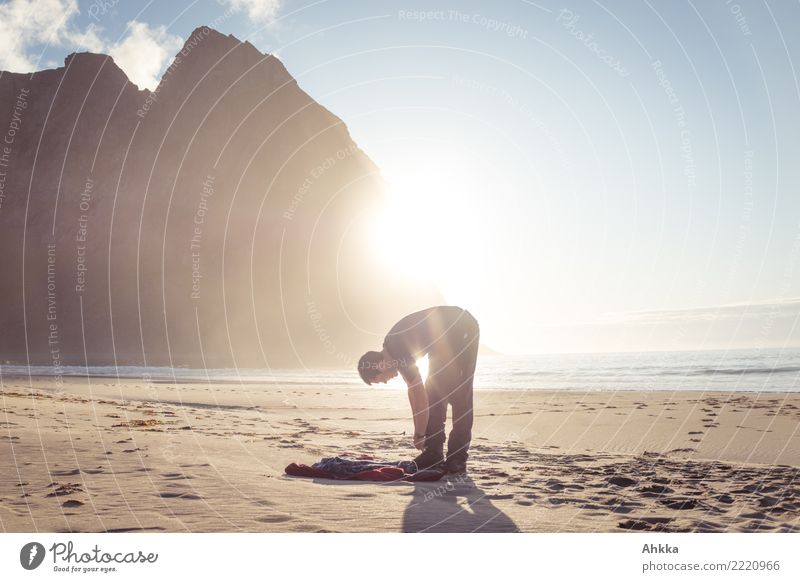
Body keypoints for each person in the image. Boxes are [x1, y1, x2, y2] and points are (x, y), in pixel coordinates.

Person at [357, 306, 479, 473]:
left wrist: (420, 434)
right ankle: (433, 453)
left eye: (381, 380)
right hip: (442, 338)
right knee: (435, 391)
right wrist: (419, 433)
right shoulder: (393, 351)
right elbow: (413, 393)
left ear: (379, 365)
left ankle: (457, 459)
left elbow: (418, 395)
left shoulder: (397, 350)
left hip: (462, 326)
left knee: (459, 394)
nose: (386, 382)